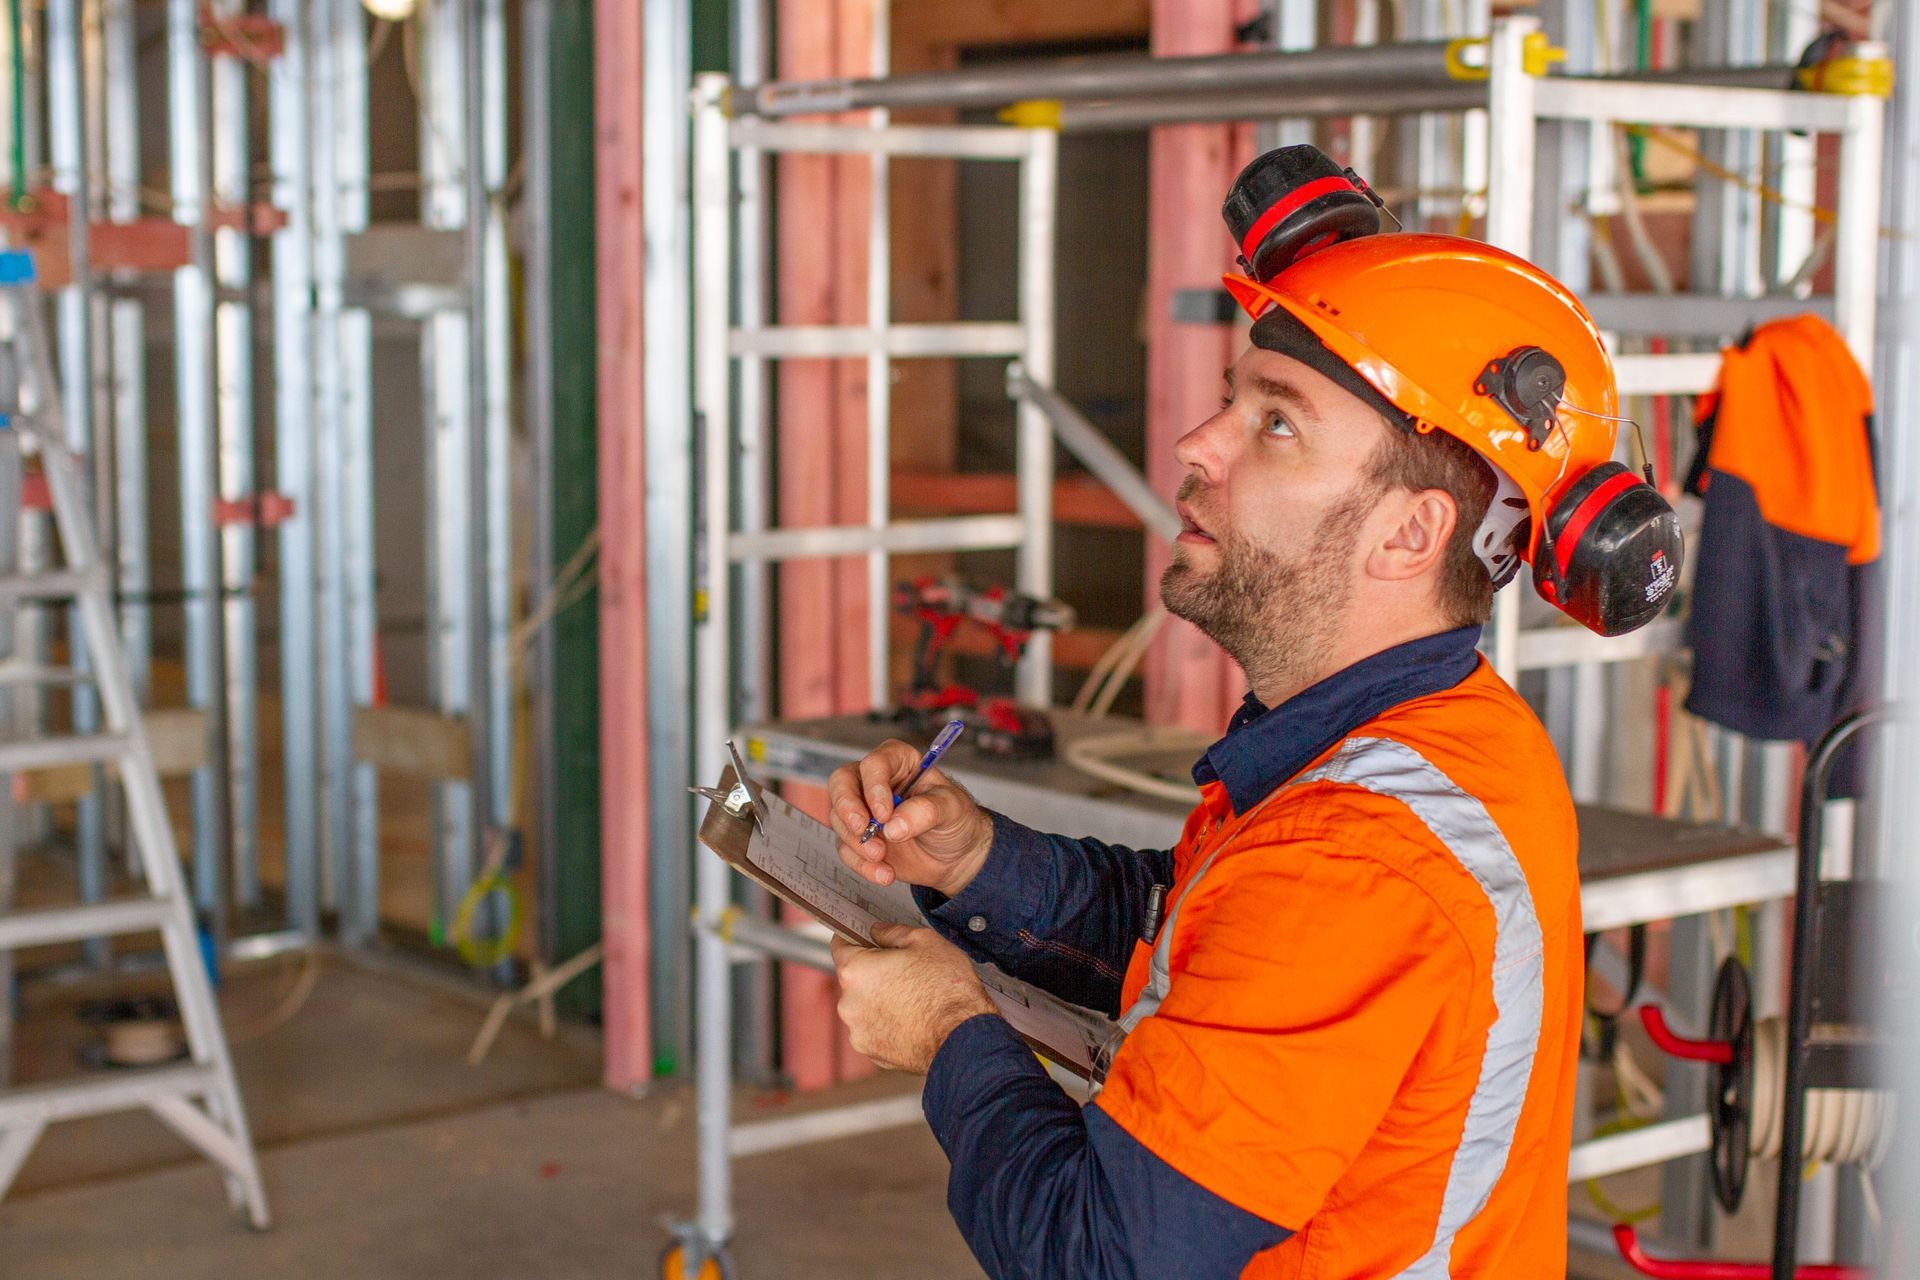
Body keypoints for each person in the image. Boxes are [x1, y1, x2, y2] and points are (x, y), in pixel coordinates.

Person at [825, 148, 1677, 1279]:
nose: (1196, 444)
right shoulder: (1425, 729)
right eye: (1235, 398)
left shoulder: (1359, 857)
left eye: (1274, 424)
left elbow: (1103, 1259)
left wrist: (947, 1033)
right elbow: (1207, 944)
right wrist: (978, 860)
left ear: (1412, 533)